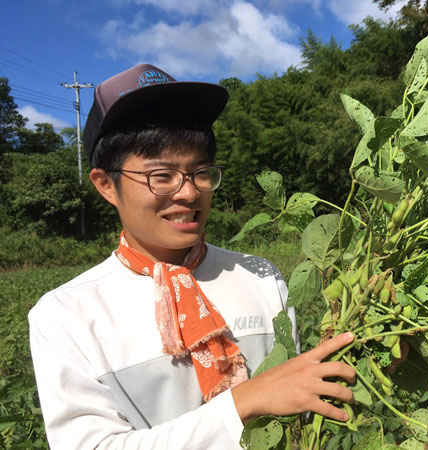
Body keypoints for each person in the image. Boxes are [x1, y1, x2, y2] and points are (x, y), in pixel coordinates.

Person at [28, 64, 355, 449]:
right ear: (106, 185)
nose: (188, 192)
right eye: (161, 175)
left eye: (201, 172)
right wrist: (243, 402)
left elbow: (297, 407)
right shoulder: (67, 314)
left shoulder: (261, 277)